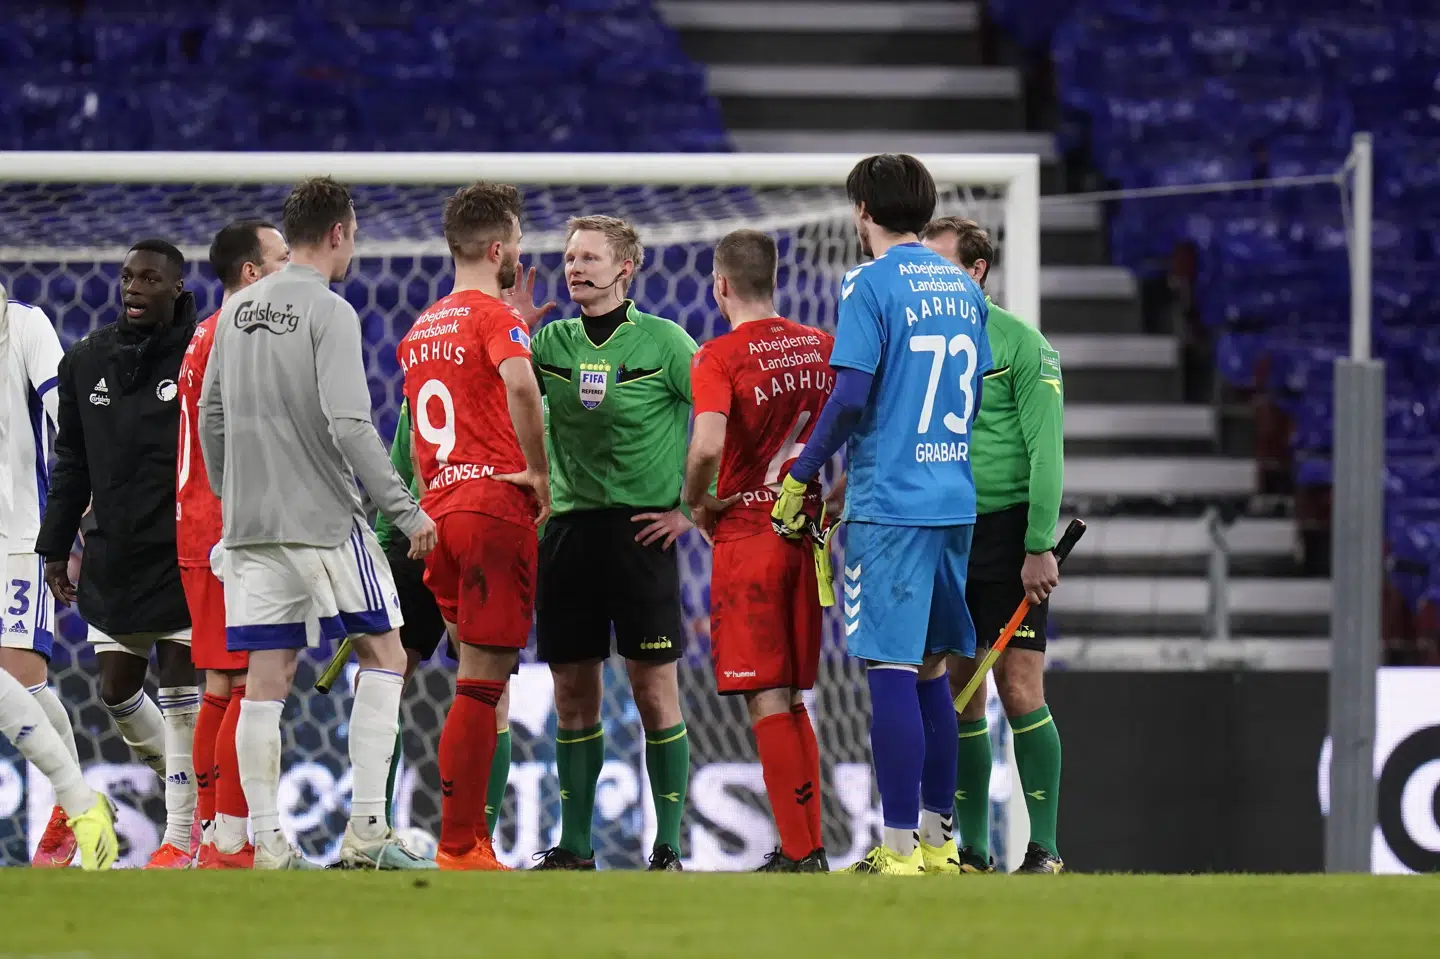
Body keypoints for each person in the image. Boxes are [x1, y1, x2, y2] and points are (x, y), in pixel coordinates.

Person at [198, 176, 438, 870]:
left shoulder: (237, 310)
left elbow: (210, 413)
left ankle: (268, 842)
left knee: (265, 678)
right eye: (354, 235)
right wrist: (404, 509)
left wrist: (233, 491)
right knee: (385, 656)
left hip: (250, 528)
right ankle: (366, 830)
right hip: (328, 522)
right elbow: (350, 423)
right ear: (338, 233)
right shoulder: (330, 311)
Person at [771, 154, 991, 875]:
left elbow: (853, 394)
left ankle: (896, 849)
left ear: (862, 208)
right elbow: (974, 397)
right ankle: (937, 841)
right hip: (952, 498)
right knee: (933, 670)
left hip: (891, 505)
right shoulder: (964, 285)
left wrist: (804, 476)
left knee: (891, 668)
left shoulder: (869, 282)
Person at [529, 215, 698, 871]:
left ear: (626, 268)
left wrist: (690, 508)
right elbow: (500, 398)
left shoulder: (666, 343)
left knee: (655, 691)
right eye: (570, 256)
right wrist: (511, 327)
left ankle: (670, 846)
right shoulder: (550, 341)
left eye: (591, 257)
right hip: (568, 532)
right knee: (574, 694)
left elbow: (722, 416)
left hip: (642, 534)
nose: (576, 267)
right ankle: (575, 845)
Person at [397, 181, 550, 870]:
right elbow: (521, 383)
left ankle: (467, 838)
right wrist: (539, 471)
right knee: (483, 685)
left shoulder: (420, 328)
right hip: (493, 509)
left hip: (442, 513)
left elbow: (422, 443)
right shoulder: (497, 317)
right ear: (496, 248)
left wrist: (433, 501)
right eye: (516, 242)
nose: (520, 253)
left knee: (474, 680)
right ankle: (459, 843)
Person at [36, 239, 202, 868]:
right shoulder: (86, 362)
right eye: (128, 277)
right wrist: (54, 546)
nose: (134, 288)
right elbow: (72, 459)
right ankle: (190, 788)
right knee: (117, 689)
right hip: (117, 552)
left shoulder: (197, 355)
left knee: (183, 690)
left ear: (176, 290)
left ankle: (181, 837)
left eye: (150, 279)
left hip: (183, 550)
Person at [683, 229, 833, 873]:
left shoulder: (719, 356)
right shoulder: (822, 346)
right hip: (804, 533)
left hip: (749, 533)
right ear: (773, 281)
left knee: (765, 695)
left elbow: (709, 447)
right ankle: (809, 846)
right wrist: (841, 495)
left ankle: (801, 851)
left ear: (720, 285)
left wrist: (698, 500)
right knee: (795, 695)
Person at [921, 217, 1065, 874]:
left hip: (1009, 533)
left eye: (939, 263)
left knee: (1018, 683)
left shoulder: (1022, 345)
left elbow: (1047, 454)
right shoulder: (925, 340)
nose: (925, 275)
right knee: (959, 686)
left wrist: (1038, 544)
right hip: (947, 527)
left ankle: (1044, 848)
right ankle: (972, 849)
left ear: (975, 270)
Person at [182, 219, 291, 869]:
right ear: (251, 273)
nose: (292, 268)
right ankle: (229, 839)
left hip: (200, 524)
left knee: (224, 682)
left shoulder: (204, 334)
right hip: (230, 528)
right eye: (282, 259)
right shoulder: (241, 335)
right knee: (247, 682)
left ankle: (216, 834)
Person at [0, 283, 119, 870]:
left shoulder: (24, 325)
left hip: (19, 535)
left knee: (19, 678)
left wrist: (83, 510)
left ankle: (71, 808)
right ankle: (78, 803)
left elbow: (65, 416)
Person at [373, 399, 513, 843]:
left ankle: (477, 838)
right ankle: (375, 829)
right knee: (382, 681)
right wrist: (383, 543)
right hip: (419, 540)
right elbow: (399, 465)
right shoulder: (419, 388)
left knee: (489, 691)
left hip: (470, 539)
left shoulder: (505, 378)